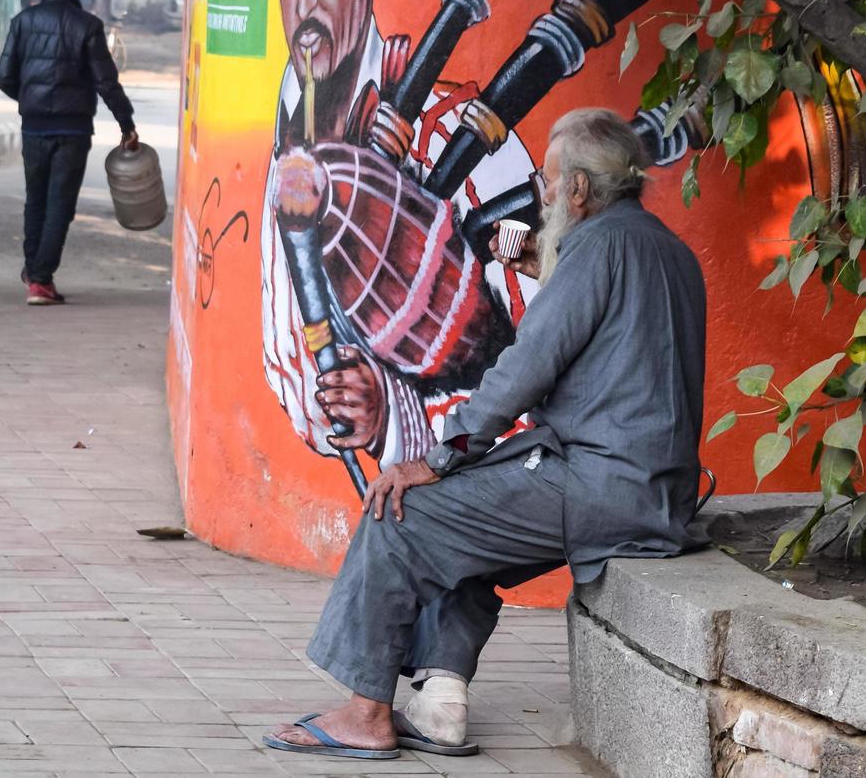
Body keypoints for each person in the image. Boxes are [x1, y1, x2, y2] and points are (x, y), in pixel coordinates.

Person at [263, 107, 709, 760]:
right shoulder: (668, 249)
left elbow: (524, 369)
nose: (545, 195)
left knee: (405, 512)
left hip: (601, 485)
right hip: (655, 491)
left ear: (581, 190)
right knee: (464, 524)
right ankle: (439, 702)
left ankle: (365, 711)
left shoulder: (597, 245)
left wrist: (438, 458)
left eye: (552, 184)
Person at [261, 0, 538, 470]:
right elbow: (284, 360)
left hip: (472, 501)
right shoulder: (291, 155)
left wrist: (397, 417)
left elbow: (546, 384)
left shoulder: (459, 142)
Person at [0, 0, 139, 305]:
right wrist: (127, 123)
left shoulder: (22, 22)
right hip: (73, 129)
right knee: (60, 202)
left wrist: (29, 100)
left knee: (36, 199)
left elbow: (4, 76)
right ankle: (41, 280)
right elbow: (107, 82)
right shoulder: (88, 27)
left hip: (34, 127)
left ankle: (35, 273)